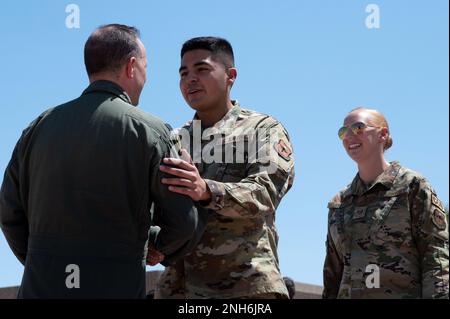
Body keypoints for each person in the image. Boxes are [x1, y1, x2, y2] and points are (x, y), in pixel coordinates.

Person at [0, 24, 201, 298]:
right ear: (132, 66)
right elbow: (183, 221)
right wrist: (156, 246)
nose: (146, 74)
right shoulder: (152, 132)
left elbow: (9, 213)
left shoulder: (37, 129)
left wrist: (43, 263)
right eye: (145, 65)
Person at [154, 37, 295, 299]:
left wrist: (206, 190)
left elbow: (265, 194)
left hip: (246, 288)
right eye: (183, 73)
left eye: (202, 70)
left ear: (231, 76)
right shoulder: (173, 139)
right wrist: (153, 241)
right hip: (180, 289)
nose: (190, 79)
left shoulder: (262, 130)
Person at [323, 107, 449, 299]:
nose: (348, 136)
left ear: (383, 134)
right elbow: (333, 276)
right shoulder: (339, 203)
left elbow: (436, 258)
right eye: (343, 132)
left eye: (358, 128)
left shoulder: (411, 186)